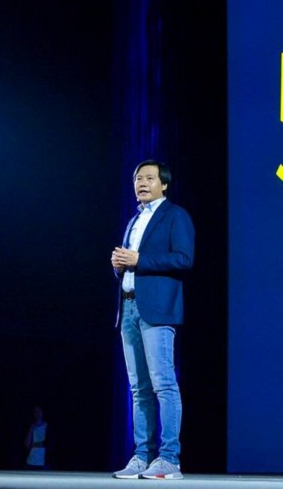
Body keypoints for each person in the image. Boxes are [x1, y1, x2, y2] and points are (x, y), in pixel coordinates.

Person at [110, 160, 194, 480]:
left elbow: (183, 259)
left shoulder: (175, 216)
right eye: (137, 179)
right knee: (138, 388)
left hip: (157, 310)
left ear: (164, 184)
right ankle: (141, 456)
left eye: (149, 178)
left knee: (164, 385)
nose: (142, 183)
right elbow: (130, 266)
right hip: (129, 308)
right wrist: (119, 266)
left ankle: (169, 458)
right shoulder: (134, 220)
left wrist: (139, 259)